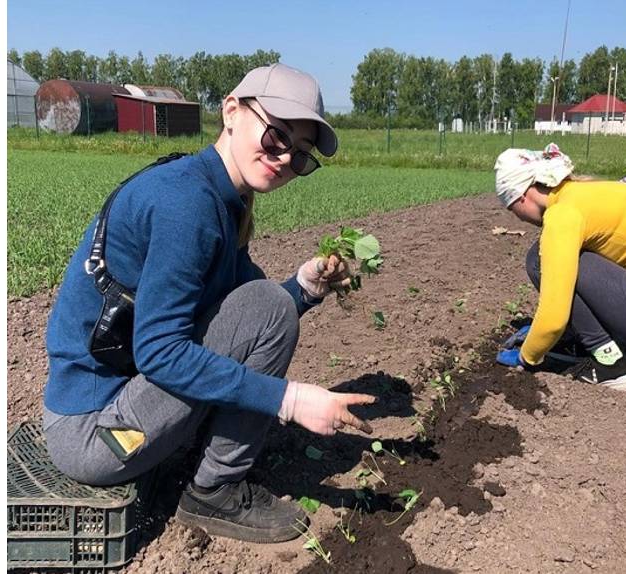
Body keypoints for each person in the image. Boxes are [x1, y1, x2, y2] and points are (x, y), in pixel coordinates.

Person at [41, 63, 376, 544]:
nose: (284, 160)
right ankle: (212, 492)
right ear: (233, 112)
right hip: (96, 435)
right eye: (277, 137)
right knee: (262, 309)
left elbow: (254, 318)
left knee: (267, 302)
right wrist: (290, 400)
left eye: (301, 156)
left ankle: (203, 465)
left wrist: (305, 287)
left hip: (123, 402)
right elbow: (161, 352)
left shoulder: (218, 197)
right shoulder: (187, 205)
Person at [492, 144, 626, 391]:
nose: (519, 218)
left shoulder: (564, 215)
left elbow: (554, 316)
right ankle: (611, 343)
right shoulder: (584, 193)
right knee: (559, 256)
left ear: (521, 196)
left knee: (540, 259)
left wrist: (528, 354)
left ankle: (613, 366)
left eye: (513, 210)